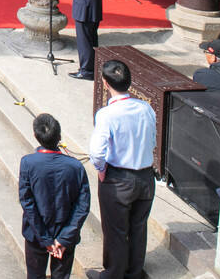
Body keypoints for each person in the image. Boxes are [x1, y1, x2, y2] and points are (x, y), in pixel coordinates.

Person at [89, 59, 156, 279]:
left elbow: (96, 152)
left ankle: (113, 274)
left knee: (115, 230)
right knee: (138, 227)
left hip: (118, 178)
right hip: (145, 176)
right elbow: (152, 140)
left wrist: (100, 168)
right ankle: (134, 272)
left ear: (105, 83)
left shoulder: (107, 114)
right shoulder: (146, 108)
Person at [19, 113, 90, 279]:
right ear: (59, 137)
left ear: (35, 136)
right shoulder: (76, 167)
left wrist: (45, 239)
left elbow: (27, 202)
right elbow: (83, 205)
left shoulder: (28, 163)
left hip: (36, 234)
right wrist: (64, 238)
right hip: (65, 234)